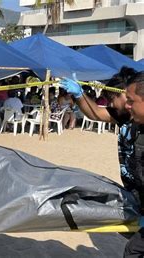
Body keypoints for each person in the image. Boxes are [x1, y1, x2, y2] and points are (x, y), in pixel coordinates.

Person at [59, 68, 144, 257]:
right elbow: (96, 113)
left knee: (133, 250)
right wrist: (80, 95)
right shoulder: (127, 117)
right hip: (136, 194)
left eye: (113, 98)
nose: (111, 104)